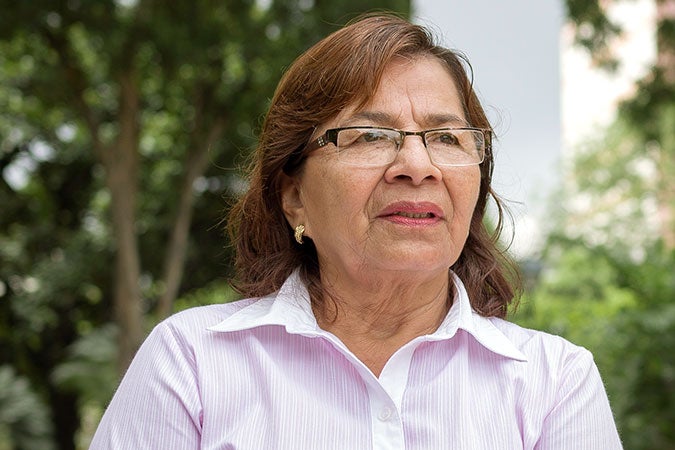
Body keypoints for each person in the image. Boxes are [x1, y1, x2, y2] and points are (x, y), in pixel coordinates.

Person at [89, 14, 622, 449]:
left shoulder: (554, 382)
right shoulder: (192, 363)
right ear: (293, 195)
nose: (418, 164)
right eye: (370, 135)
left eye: (446, 138)